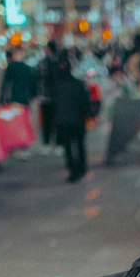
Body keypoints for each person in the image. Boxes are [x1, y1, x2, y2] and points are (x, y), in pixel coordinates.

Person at [51, 53, 93, 183]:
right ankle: (82, 168)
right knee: (79, 144)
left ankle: (73, 170)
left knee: (68, 146)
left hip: (63, 120)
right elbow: (85, 101)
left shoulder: (56, 86)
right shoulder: (77, 84)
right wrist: (88, 114)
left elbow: (54, 105)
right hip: (78, 119)